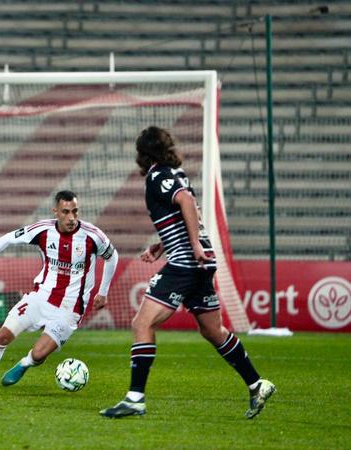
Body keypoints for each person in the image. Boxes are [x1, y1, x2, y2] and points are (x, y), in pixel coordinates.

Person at [99, 126, 275, 420]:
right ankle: (257, 384)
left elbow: (187, 202)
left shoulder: (158, 176)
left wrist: (192, 245)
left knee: (142, 322)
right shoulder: (175, 174)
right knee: (211, 330)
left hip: (187, 262)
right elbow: (189, 211)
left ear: (143, 154)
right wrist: (161, 245)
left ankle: (135, 399)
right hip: (201, 261)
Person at [0, 190, 118, 393]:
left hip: (70, 307)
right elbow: (7, 239)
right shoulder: (42, 230)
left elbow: (112, 256)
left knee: (40, 354)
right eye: (66, 212)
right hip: (40, 297)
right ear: (55, 211)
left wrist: (103, 292)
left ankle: (25, 363)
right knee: (3, 336)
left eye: (75, 212)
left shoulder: (92, 235)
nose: (71, 218)